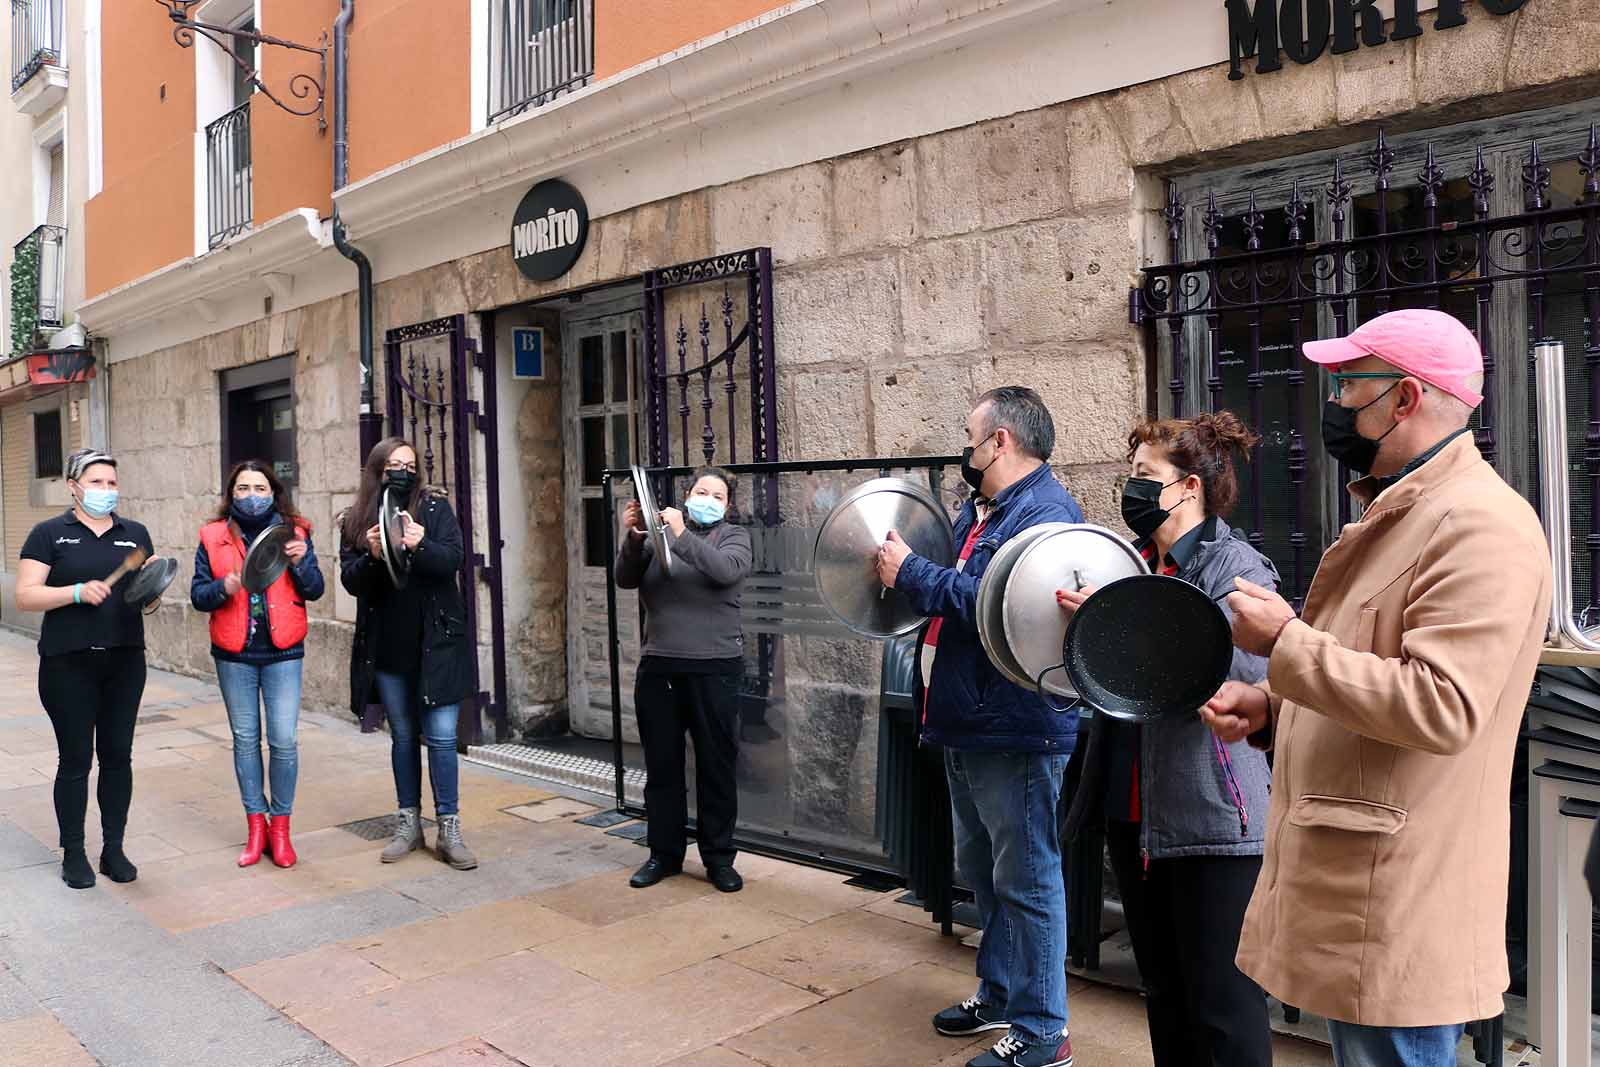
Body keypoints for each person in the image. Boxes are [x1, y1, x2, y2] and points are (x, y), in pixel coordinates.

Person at [1200, 309, 1553, 1067]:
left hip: (1397, 891)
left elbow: (1443, 704)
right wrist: (1273, 706)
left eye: (1348, 384)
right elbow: (1374, 668)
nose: (1333, 404)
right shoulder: (1409, 507)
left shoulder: (1479, 524)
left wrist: (1284, 644)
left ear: (1403, 399)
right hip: (1361, 883)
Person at [1058, 411, 1277, 1067]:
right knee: (1166, 995)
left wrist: (1124, 620)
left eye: (1145, 476)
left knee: (1225, 1008)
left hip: (1214, 821)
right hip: (1140, 818)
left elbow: (1236, 676)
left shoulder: (1236, 564)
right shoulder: (1138, 563)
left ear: (1188, 488)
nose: (1132, 488)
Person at [878, 385, 1083, 1067]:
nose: (965, 449)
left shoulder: (1047, 513)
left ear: (1001, 441)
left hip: (1016, 728)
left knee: (1027, 878)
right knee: (987, 874)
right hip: (970, 721)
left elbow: (999, 604)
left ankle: (1043, 1031)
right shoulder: (985, 509)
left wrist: (911, 572)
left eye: (971, 437)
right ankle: (998, 993)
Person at [16, 448, 154, 889]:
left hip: (124, 660)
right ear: (74, 486)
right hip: (67, 663)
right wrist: (75, 592)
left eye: (112, 483)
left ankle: (113, 849)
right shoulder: (49, 534)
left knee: (118, 757)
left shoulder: (135, 534)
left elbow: (145, 596)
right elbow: (26, 595)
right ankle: (74, 853)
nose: (106, 491)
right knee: (75, 760)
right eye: (96, 482)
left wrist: (154, 588)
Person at [339, 437, 477, 871]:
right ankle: (408, 823)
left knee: (439, 737)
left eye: (409, 464)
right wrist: (374, 555)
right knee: (402, 738)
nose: (402, 471)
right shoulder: (357, 520)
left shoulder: (435, 510)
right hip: (389, 651)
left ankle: (449, 828)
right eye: (393, 464)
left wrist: (420, 544)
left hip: (437, 646)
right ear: (377, 471)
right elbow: (351, 581)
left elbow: (453, 560)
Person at [616, 466, 753, 893]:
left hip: (715, 667)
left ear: (728, 505)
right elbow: (625, 578)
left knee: (715, 766)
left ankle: (718, 858)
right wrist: (636, 536)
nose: (708, 500)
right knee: (662, 766)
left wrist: (679, 534)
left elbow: (724, 571)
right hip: (660, 665)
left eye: (717, 495)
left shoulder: (734, 538)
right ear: (686, 493)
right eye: (701, 491)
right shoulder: (661, 536)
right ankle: (663, 853)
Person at [190, 461, 324, 869]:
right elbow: (198, 595)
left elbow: (316, 589)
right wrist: (223, 587)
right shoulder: (212, 537)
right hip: (235, 654)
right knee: (245, 739)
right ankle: (256, 828)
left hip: (283, 651)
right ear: (231, 495)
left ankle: (280, 830)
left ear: (273, 492)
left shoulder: (296, 532)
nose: (252, 495)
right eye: (244, 488)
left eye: (260, 488)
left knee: (283, 740)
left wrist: (301, 563)